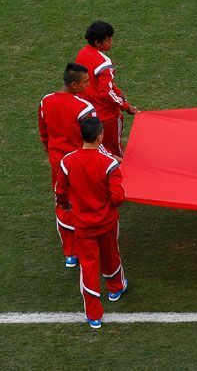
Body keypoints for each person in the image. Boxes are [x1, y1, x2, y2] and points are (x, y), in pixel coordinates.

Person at [55, 118, 128, 329]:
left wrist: (65, 204)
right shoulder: (109, 164)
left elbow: (60, 191)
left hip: (83, 225)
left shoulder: (67, 162)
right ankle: (115, 288)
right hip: (106, 221)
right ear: (99, 137)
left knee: (88, 266)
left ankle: (93, 314)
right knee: (111, 254)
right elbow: (118, 197)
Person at [39, 63, 97, 267]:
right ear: (74, 84)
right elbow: (94, 139)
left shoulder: (46, 101)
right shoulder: (84, 108)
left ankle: (71, 253)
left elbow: (44, 132)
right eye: (86, 82)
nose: (88, 86)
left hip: (58, 163)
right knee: (86, 201)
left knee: (63, 203)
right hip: (79, 164)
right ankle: (88, 245)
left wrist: (51, 152)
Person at [76, 21, 137, 157]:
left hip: (88, 113)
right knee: (115, 150)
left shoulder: (82, 53)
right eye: (108, 40)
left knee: (95, 150)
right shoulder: (104, 63)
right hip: (107, 116)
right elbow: (106, 92)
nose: (111, 42)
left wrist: (117, 91)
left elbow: (98, 83)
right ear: (98, 43)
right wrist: (126, 106)